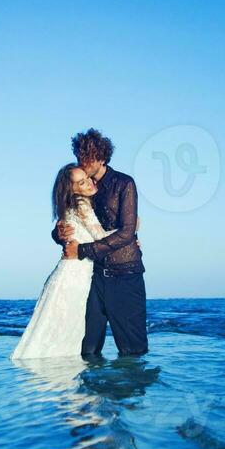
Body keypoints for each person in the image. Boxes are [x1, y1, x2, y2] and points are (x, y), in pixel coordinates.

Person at [53, 128, 148, 359]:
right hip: (93, 278)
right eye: (79, 157)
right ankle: (92, 394)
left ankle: (129, 395)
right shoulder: (79, 186)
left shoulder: (124, 184)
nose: (81, 162)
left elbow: (126, 232)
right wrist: (58, 234)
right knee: (86, 351)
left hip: (125, 275)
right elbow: (69, 220)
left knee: (132, 353)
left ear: (102, 158)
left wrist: (82, 250)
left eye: (86, 158)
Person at [10, 164, 116, 360]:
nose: (89, 183)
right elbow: (100, 237)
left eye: (87, 178)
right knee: (66, 333)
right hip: (74, 277)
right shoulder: (82, 204)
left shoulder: (68, 207)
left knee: (52, 331)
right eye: (81, 182)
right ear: (71, 190)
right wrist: (130, 230)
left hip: (68, 274)